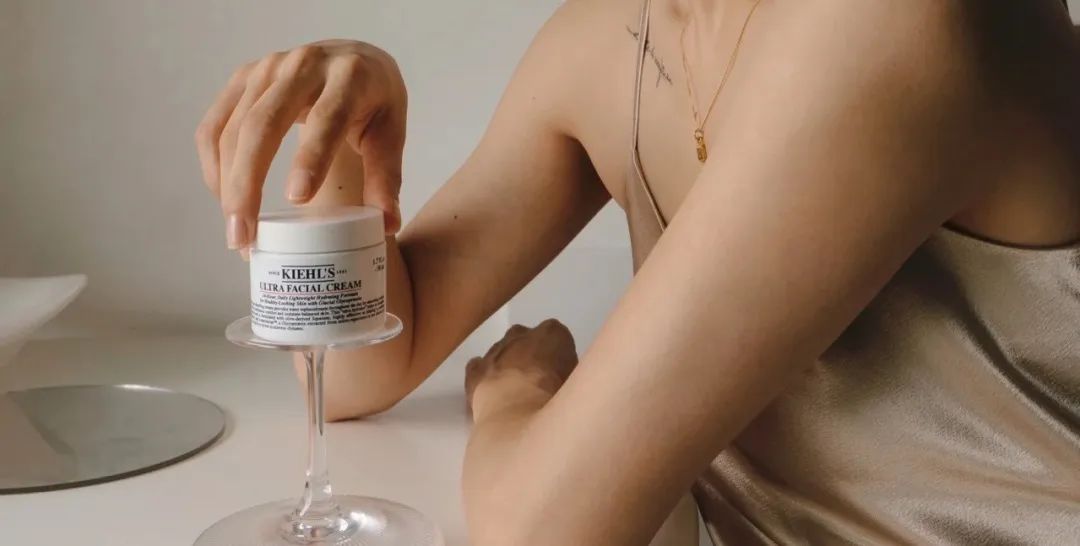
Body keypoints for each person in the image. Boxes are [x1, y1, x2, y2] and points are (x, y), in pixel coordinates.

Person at [195, 0, 1080, 544]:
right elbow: (359, 371)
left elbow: (546, 530)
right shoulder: (612, 39)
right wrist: (336, 140)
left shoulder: (895, 20)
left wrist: (515, 401)